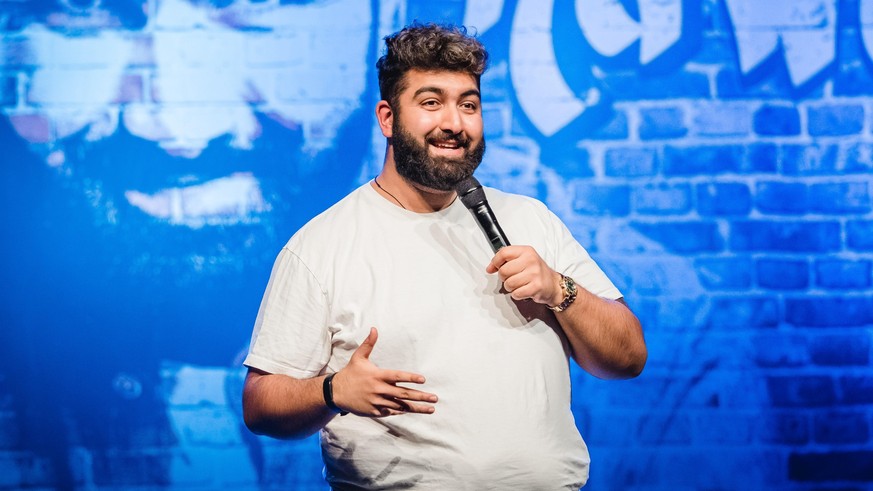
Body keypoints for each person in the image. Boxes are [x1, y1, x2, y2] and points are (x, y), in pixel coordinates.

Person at [241, 22, 647, 490]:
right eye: (431, 102)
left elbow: (629, 356)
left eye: (468, 105)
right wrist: (333, 390)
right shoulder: (323, 244)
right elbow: (260, 404)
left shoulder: (531, 220)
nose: (454, 123)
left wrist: (561, 290)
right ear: (388, 118)